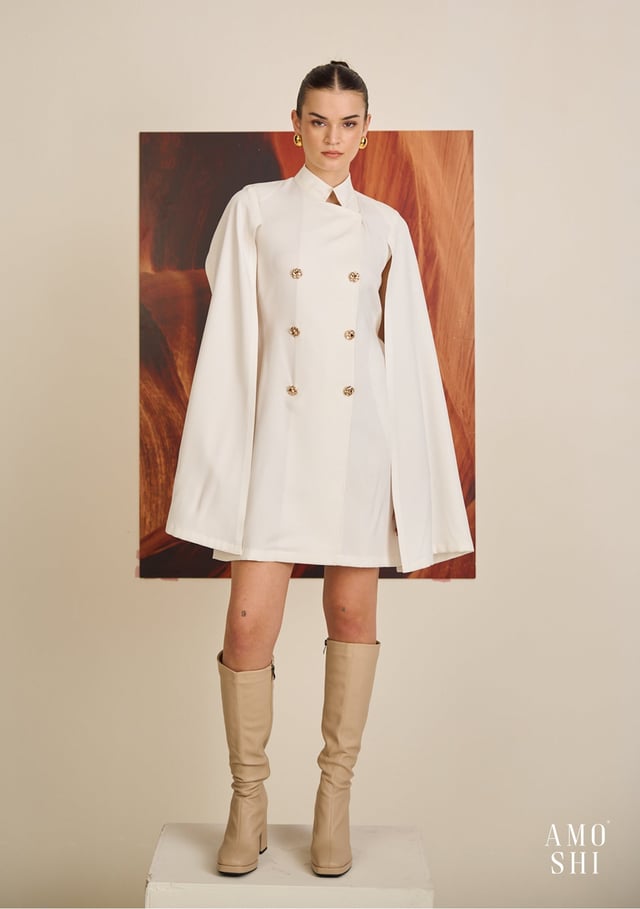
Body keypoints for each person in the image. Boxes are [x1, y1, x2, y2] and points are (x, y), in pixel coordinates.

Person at [166, 61, 473, 877]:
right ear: (296, 123)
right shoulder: (254, 209)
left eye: (348, 122)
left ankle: (334, 800)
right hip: (279, 437)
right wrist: (227, 450)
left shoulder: (386, 226)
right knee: (247, 624)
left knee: (350, 612)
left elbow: (404, 353)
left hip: (357, 442)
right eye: (319, 120)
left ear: (367, 131)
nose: (333, 136)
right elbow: (235, 335)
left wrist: (413, 478)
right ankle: (249, 801)